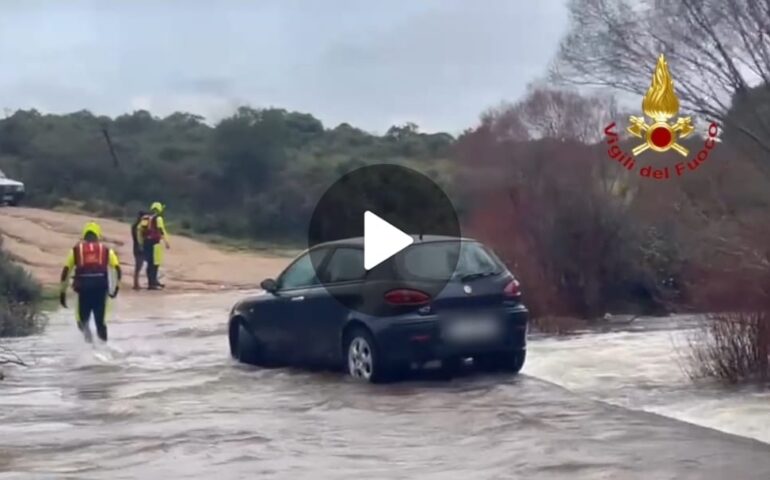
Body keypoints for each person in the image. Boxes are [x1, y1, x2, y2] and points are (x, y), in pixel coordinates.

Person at [59, 221, 121, 343]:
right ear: (98, 236)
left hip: (83, 290)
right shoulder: (106, 250)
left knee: (82, 322)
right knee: (100, 323)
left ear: (84, 235)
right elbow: (117, 269)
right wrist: (115, 289)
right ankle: (105, 352)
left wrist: (62, 293)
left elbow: (65, 271)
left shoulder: (76, 251)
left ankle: (89, 347)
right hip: (101, 289)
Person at [141, 201, 170, 290]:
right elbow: (161, 230)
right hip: (155, 243)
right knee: (155, 263)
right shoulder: (158, 219)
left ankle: (153, 281)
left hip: (146, 242)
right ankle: (152, 283)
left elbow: (141, 230)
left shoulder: (146, 218)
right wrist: (166, 242)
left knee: (150, 263)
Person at [131, 210, 148, 290]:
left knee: (138, 266)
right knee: (139, 266)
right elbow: (140, 237)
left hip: (136, 247)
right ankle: (136, 284)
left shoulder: (134, 226)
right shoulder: (139, 227)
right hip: (139, 247)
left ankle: (136, 283)